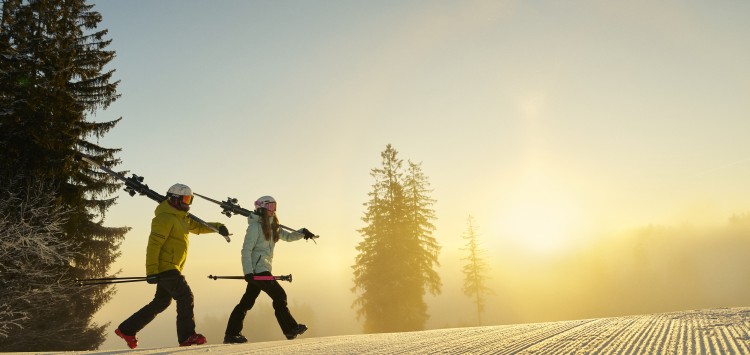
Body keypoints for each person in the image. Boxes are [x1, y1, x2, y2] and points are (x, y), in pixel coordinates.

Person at [114, 183, 230, 349]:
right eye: (185, 199)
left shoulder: (180, 217)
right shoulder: (164, 218)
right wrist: (152, 271)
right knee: (185, 296)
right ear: (174, 199)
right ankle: (187, 336)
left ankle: (127, 329)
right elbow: (153, 245)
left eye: (190, 199)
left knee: (161, 302)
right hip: (166, 267)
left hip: (172, 266)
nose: (188, 203)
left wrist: (218, 227)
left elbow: (197, 227)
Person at [223, 195, 316, 344]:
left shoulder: (273, 226)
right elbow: (246, 250)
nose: (274, 210)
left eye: (275, 206)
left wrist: (302, 232)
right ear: (262, 208)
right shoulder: (255, 227)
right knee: (279, 295)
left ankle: (231, 334)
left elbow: (288, 237)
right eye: (271, 207)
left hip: (262, 269)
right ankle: (290, 329)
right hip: (258, 270)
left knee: (246, 303)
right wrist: (248, 273)